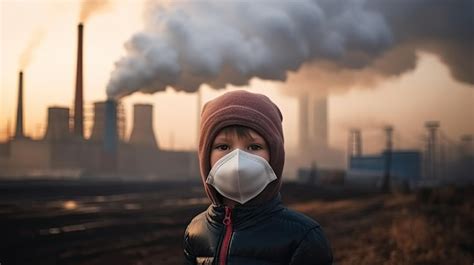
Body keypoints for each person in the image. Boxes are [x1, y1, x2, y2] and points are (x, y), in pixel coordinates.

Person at [184, 90, 333, 265]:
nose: (238, 159)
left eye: (254, 147)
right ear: (205, 156)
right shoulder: (196, 231)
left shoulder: (304, 238)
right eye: (223, 146)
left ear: (275, 156)